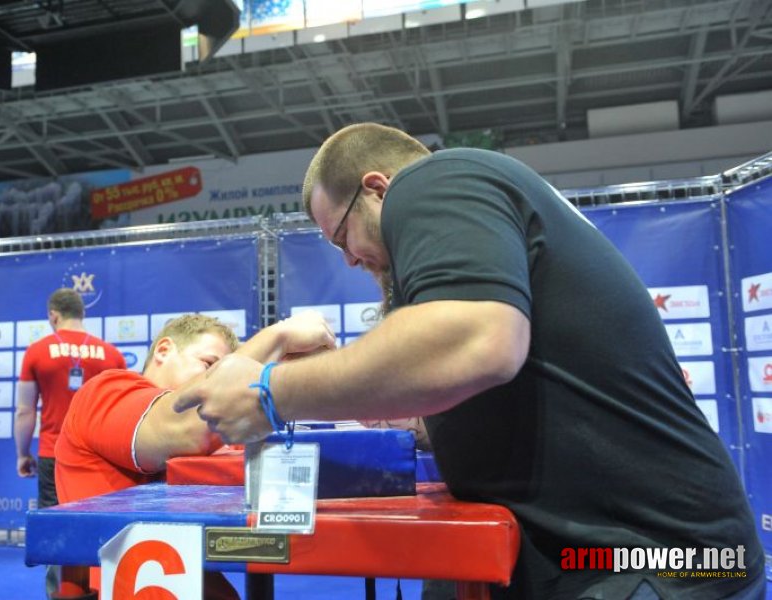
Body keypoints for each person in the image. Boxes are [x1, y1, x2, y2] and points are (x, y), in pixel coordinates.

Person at [176, 123, 766, 599]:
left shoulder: (437, 178)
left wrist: (270, 390)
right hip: (610, 557)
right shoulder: (479, 220)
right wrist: (413, 417)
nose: (350, 260)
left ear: (378, 188)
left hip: (660, 560)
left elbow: (480, 341)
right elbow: (514, 378)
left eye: (340, 237)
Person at [54, 311, 335, 600]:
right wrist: (279, 335)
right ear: (164, 350)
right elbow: (184, 427)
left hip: (184, 580)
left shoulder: (218, 430)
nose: (224, 383)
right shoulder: (105, 391)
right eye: (210, 365)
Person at [15, 288, 126, 510]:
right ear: (81, 314)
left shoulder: (36, 352)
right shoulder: (112, 354)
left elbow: (24, 411)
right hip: (99, 455)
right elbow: (121, 411)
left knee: (53, 521)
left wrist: (23, 454)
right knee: (96, 517)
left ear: (53, 315)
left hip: (54, 452)